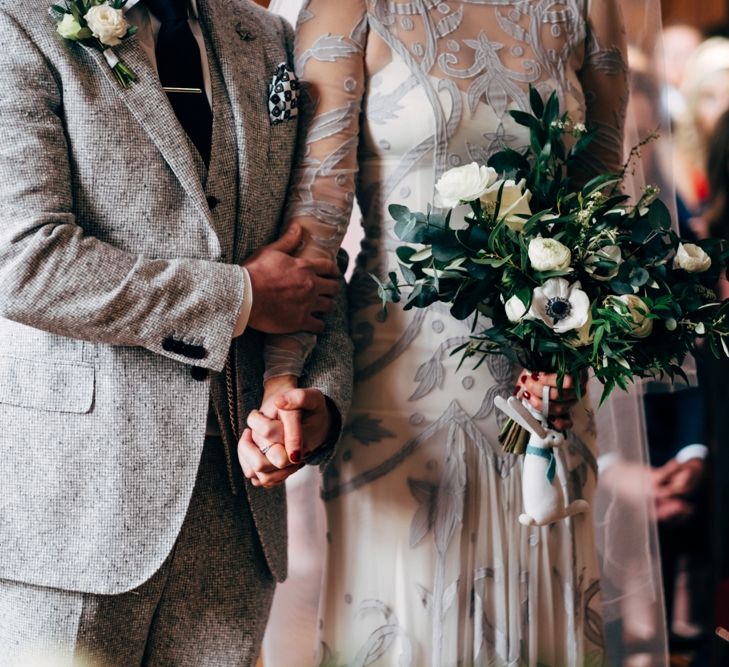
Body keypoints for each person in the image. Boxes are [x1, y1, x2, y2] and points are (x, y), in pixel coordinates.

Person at [246, 1, 668, 665]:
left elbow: (598, 214)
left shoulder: (585, 9)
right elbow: (314, 227)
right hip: (401, 394)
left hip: (543, 395)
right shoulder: (348, 9)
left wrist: (570, 357)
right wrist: (280, 382)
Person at [0, 0, 352, 664]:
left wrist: (318, 403)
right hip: (69, 515)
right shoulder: (17, 25)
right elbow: (26, 261)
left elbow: (310, 261)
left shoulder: (267, 38)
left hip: (235, 512)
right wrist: (239, 298)